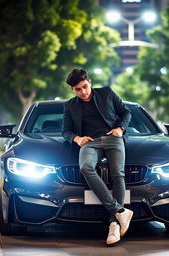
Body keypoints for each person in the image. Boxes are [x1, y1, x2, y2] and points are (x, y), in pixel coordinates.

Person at [62, 69, 133, 245]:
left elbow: (126, 113)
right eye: (78, 89)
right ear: (73, 90)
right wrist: (77, 138)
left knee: (117, 173)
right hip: (89, 142)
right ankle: (121, 211)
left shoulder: (107, 93)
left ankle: (114, 225)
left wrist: (120, 129)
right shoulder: (70, 106)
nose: (83, 92)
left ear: (90, 82)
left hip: (113, 138)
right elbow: (66, 131)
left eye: (85, 87)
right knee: (86, 167)